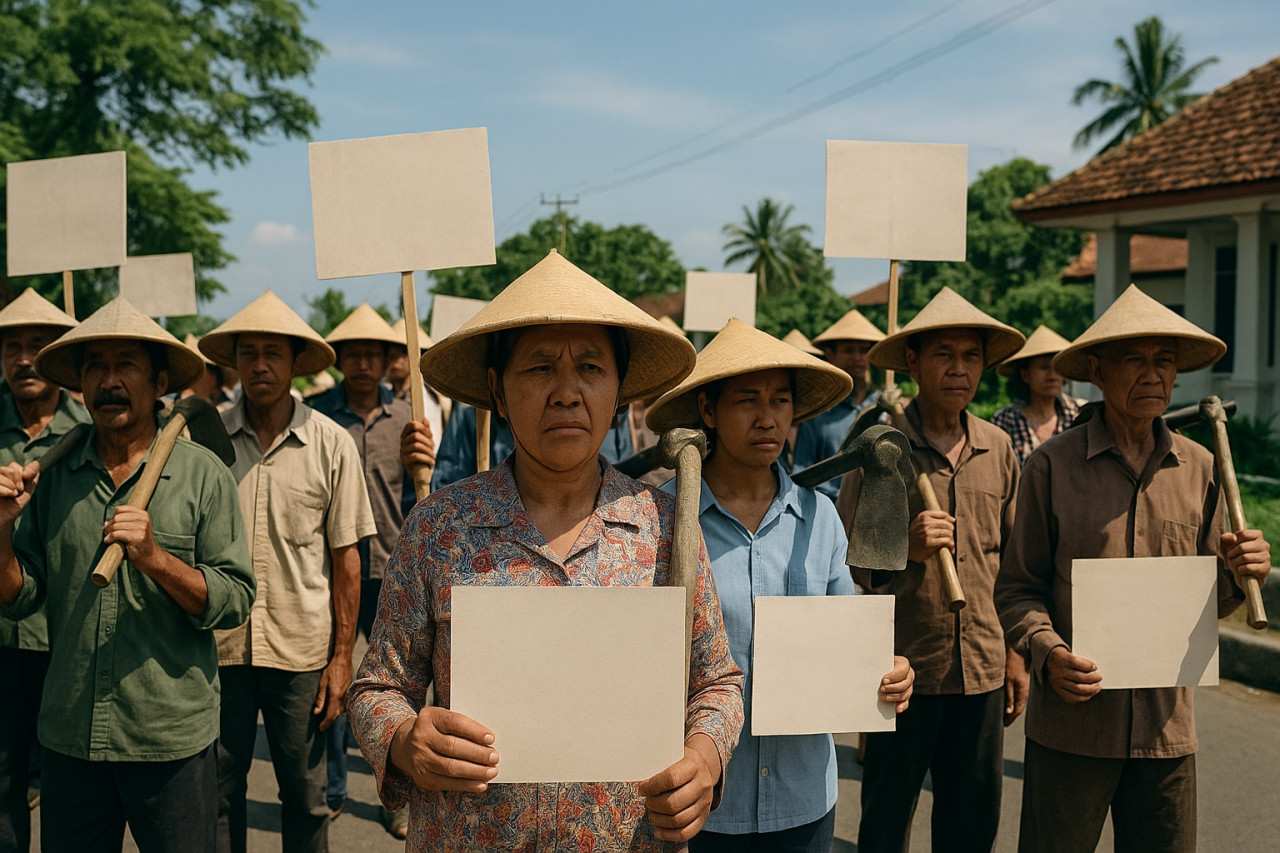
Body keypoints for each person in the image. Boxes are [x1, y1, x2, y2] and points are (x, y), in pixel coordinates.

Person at [350, 249, 744, 852]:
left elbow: (717, 683)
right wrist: (405, 740)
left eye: (590, 366)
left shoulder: (668, 530)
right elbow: (378, 688)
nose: (566, 392)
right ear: (497, 392)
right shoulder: (439, 526)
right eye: (538, 368)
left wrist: (704, 757)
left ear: (619, 392)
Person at [995, 284, 1272, 852]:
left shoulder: (1201, 468)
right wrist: (1048, 654)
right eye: (1134, 360)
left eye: (1164, 361)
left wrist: (1241, 573)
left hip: (1166, 734)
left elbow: (1211, 601)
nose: (1152, 375)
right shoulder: (1051, 467)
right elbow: (1018, 591)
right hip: (1072, 732)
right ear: (1096, 370)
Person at [646, 318, 915, 852]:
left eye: (780, 401)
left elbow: (846, 639)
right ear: (708, 411)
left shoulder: (821, 519)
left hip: (803, 797)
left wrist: (885, 671)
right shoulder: (660, 521)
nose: (767, 417)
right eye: (747, 400)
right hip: (697, 802)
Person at [0, 297, 255, 853]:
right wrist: (0, 535)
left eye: (126, 366)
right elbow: (23, 596)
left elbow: (235, 600)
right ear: (80, 384)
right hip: (69, 736)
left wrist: (155, 558)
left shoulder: (202, 476)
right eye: (95, 367)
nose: (109, 381)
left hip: (168, 740)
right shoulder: (55, 477)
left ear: (159, 380)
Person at [835, 286, 1027, 853]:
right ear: (914, 363)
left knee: (971, 821)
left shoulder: (998, 448)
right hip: (902, 671)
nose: (959, 369)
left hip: (983, 670)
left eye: (971, 357)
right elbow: (846, 564)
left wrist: (1016, 656)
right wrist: (906, 549)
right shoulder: (882, 449)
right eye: (944, 354)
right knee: (886, 819)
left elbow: (1015, 568)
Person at [199, 291, 376, 853]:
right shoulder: (203, 440)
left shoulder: (331, 443)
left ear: (295, 362)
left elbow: (348, 558)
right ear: (234, 362)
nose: (259, 365)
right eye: (247, 353)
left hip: (301, 651)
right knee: (219, 795)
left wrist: (343, 657)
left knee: (304, 795)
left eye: (272, 353)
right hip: (218, 651)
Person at [307, 304, 416, 838]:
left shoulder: (409, 418)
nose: (364, 363)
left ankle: (395, 795)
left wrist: (426, 459)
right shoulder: (317, 416)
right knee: (335, 673)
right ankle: (331, 788)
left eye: (373, 353)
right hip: (336, 567)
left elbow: (428, 492)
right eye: (354, 354)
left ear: (387, 359)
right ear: (342, 360)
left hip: (394, 564)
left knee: (398, 686)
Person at [0, 290, 87, 853]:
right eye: (12, 346)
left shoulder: (91, 432)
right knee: (3, 777)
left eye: (38, 346)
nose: (24, 358)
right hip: (2, 638)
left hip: (64, 634)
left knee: (66, 782)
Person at [791, 309, 886, 499]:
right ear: (830, 354)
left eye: (864, 350)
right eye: (849, 350)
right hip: (830, 509)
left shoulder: (883, 406)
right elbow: (801, 473)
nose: (858, 357)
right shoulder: (818, 412)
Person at [991, 325, 1083, 465]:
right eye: (1044, 367)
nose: (1052, 375)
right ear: (1025, 375)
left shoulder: (1080, 413)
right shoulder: (1005, 421)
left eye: (1056, 368)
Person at [385, 316, 448, 447]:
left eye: (402, 354)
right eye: (390, 355)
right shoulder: (385, 396)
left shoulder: (426, 400)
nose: (395, 361)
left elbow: (434, 443)